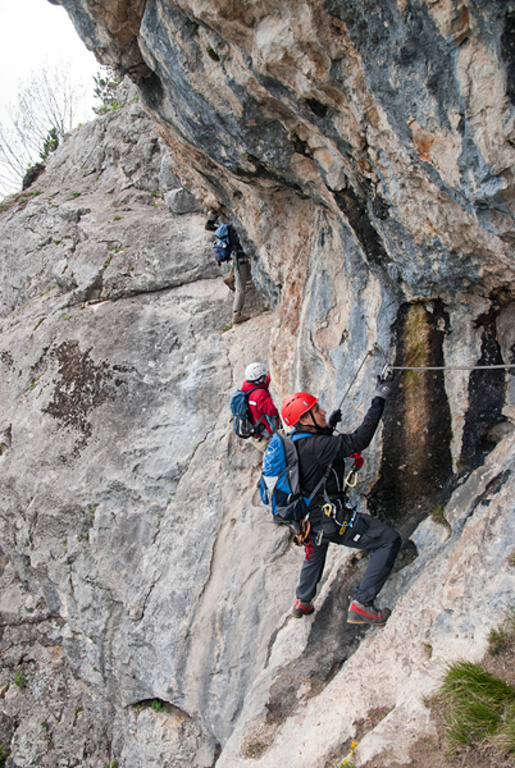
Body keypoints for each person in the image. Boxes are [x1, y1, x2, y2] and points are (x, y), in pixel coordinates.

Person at [281, 378, 401, 625]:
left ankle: (302, 600)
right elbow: (359, 440)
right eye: (316, 411)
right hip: (329, 518)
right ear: (304, 420)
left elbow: (313, 452)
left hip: (307, 519)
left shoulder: (294, 441)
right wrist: (379, 400)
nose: (322, 411)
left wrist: (327, 426)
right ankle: (362, 604)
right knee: (389, 540)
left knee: (314, 552)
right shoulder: (317, 445)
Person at [241, 362, 280, 452]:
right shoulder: (258, 395)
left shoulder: (248, 387)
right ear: (259, 379)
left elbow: (262, 384)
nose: (266, 377)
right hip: (267, 437)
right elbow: (275, 409)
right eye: (264, 376)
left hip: (259, 435)